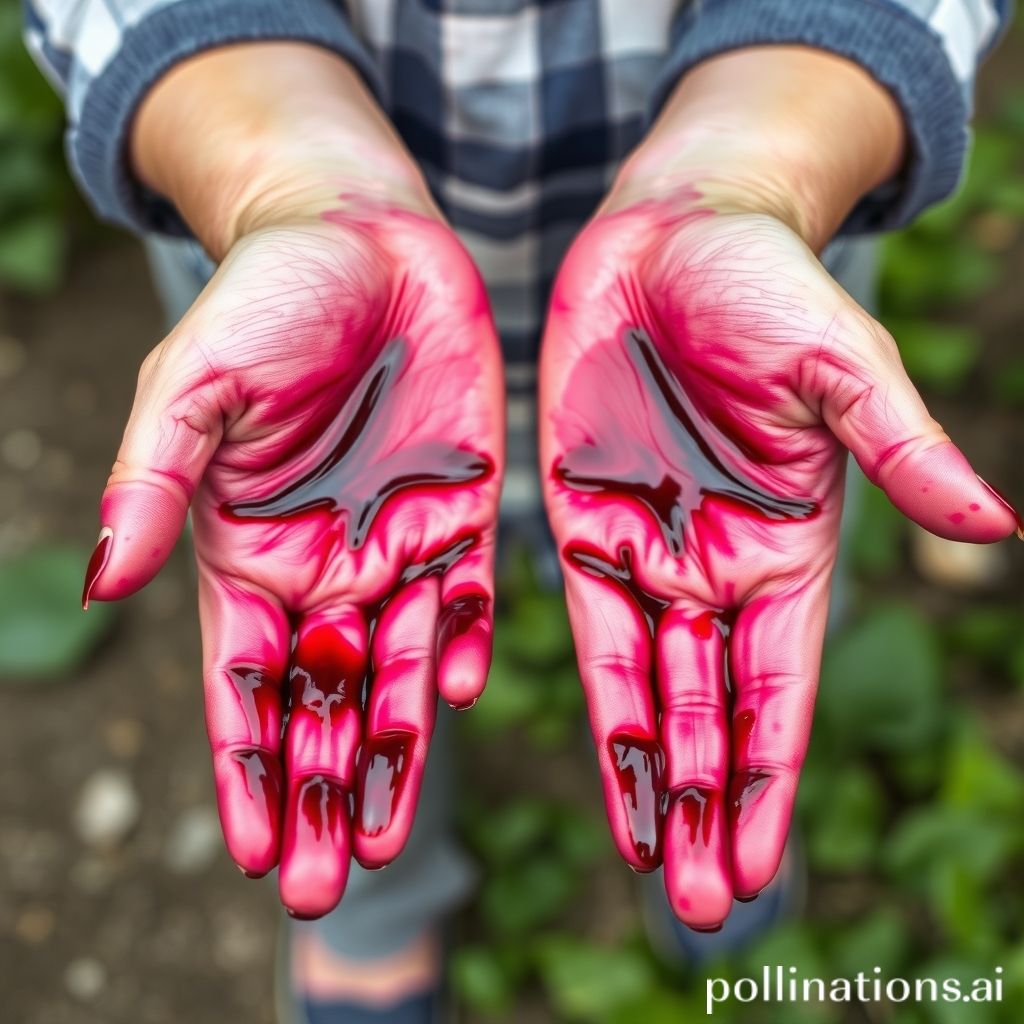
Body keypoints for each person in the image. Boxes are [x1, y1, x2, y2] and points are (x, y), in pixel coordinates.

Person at [24, 1, 1022, 1021]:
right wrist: (281, 179)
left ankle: (691, 815)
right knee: (343, 651)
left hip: (736, 311)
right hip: (302, 313)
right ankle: (377, 905)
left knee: (715, 634)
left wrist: (752, 170)